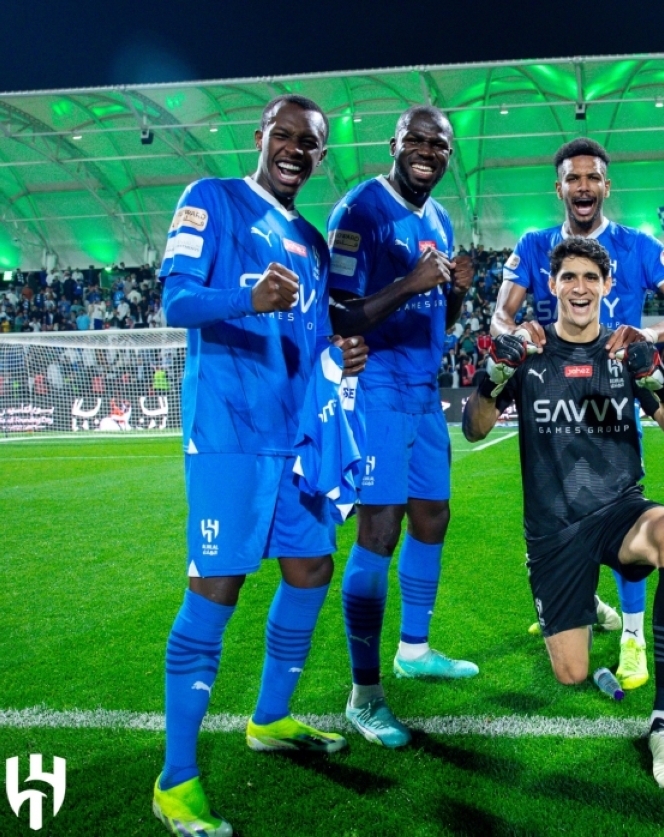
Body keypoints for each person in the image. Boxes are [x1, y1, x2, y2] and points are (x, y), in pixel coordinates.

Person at [152, 95, 369, 837]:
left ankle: (270, 718)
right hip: (229, 432)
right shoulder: (211, 199)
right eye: (285, 135)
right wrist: (246, 296)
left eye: (310, 143)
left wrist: (339, 353)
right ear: (261, 136)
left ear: (320, 156)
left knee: (311, 568)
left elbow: (309, 337)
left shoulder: (311, 240)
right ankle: (175, 779)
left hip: (296, 434)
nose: (295, 150)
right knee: (217, 587)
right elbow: (175, 301)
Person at [464, 237, 664, 792]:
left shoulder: (624, 349)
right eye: (568, 277)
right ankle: (585, 601)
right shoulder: (529, 352)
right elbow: (474, 428)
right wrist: (493, 373)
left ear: (607, 286)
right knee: (571, 674)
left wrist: (656, 376)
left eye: (591, 278)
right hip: (554, 530)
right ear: (552, 285)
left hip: (620, 512)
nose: (579, 287)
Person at [490, 137, 664, 691]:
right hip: (551, 392)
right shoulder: (534, 245)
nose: (583, 186)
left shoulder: (638, 245)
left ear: (606, 185)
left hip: (614, 391)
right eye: (573, 178)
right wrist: (519, 336)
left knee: (624, 504)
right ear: (559, 188)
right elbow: (500, 315)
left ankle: (633, 634)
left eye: (592, 177)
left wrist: (645, 337)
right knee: (554, 506)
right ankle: (580, 602)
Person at [325, 105, 477, 750]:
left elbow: (441, 314)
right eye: (415, 140)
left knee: (433, 516)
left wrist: (456, 290)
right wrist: (412, 282)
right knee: (380, 529)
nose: (426, 151)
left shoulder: (437, 216)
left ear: (448, 155)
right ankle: (364, 695)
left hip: (423, 389)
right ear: (393, 144)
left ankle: (413, 649)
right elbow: (338, 311)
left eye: (438, 145)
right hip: (377, 387)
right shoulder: (360, 209)